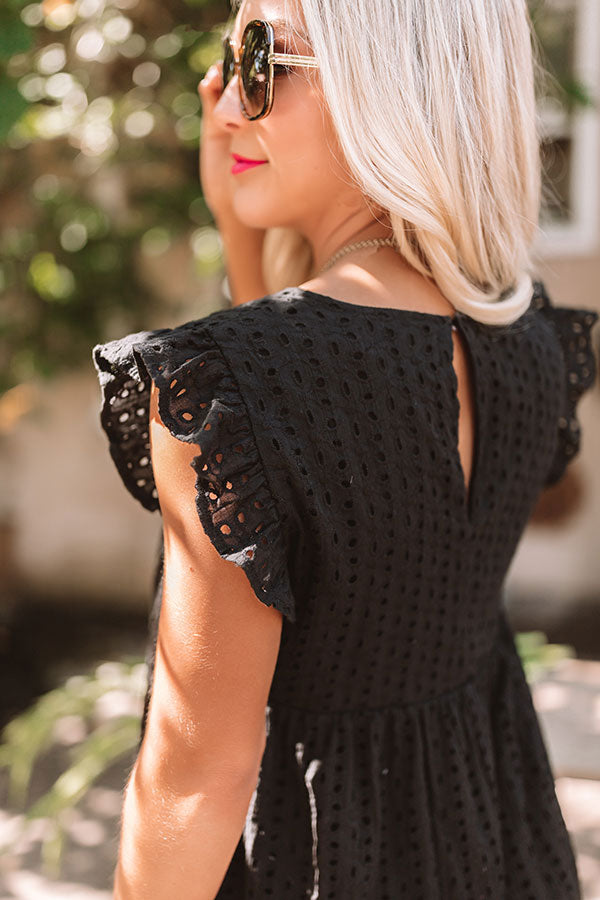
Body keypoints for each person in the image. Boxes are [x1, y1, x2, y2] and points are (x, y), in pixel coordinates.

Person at [92, 0, 598, 896]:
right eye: (226, 67)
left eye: (262, 62)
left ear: (387, 80)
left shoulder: (223, 388)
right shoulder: (530, 342)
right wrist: (244, 233)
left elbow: (197, 777)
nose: (224, 106)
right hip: (489, 842)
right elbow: (332, 437)